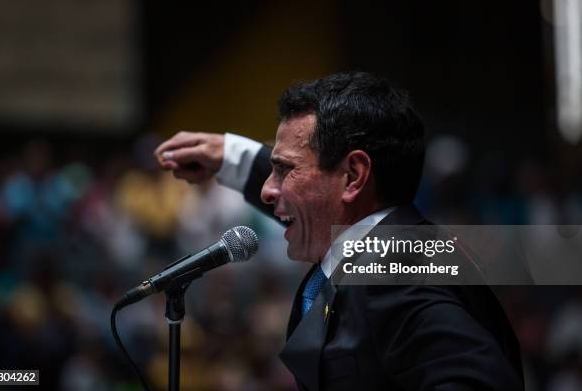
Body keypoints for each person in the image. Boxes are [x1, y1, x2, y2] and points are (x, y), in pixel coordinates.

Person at [155, 72, 524, 390]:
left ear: (353, 176)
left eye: (284, 169)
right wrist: (231, 156)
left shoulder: (401, 275)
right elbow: (315, 205)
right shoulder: (377, 247)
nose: (269, 189)